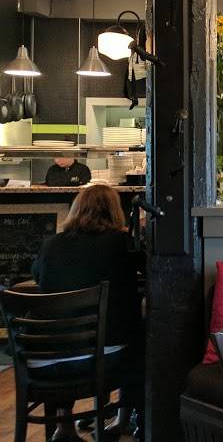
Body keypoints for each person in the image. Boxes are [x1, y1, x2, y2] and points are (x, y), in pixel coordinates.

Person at [32, 184, 145, 440]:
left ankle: (64, 425)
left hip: (44, 359)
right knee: (141, 336)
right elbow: (149, 268)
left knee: (68, 331)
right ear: (114, 211)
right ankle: (123, 420)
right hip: (100, 357)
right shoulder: (121, 243)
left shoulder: (51, 244)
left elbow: (38, 276)